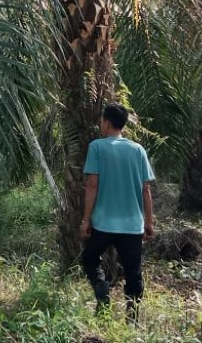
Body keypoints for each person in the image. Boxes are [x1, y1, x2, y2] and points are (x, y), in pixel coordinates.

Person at [80, 102, 155, 322]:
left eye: (102, 121)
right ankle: (132, 319)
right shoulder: (138, 149)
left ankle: (102, 293)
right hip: (132, 225)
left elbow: (92, 184)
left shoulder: (97, 147)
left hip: (103, 223)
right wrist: (148, 223)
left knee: (90, 258)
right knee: (133, 273)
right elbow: (146, 189)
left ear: (107, 122)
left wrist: (86, 220)